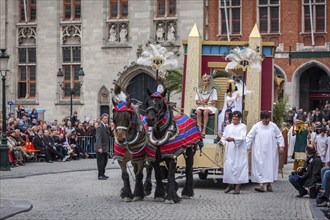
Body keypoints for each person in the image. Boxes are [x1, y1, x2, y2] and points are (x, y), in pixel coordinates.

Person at [246, 111, 285, 192]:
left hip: (271, 151)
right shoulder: (256, 126)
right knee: (260, 167)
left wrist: (281, 146)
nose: (267, 120)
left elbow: (279, 136)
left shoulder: (273, 126)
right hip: (259, 151)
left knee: (269, 167)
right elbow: (249, 137)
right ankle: (261, 185)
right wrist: (246, 147)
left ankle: (269, 184)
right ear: (261, 119)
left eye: (268, 118)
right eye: (265, 119)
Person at [219, 111, 248, 194]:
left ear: (240, 118)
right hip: (230, 150)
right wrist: (222, 142)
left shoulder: (243, 126)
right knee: (229, 166)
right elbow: (224, 136)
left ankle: (238, 186)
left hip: (239, 150)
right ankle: (230, 184)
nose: (235, 118)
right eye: (233, 117)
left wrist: (233, 139)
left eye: (236, 117)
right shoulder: (229, 127)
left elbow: (242, 137)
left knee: (239, 167)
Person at [95, 113, 110, 180]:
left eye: (107, 118)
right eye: (105, 118)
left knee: (105, 161)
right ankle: (100, 175)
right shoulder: (100, 127)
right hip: (101, 148)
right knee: (100, 162)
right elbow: (98, 138)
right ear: (101, 119)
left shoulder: (106, 126)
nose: (106, 120)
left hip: (105, 147)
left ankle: (103, 173)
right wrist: (99, 147)